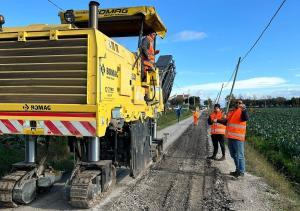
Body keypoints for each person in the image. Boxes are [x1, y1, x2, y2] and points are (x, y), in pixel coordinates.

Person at [217, 100, 249, 177]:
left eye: (240, 103)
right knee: (233, 155)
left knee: (239, 155)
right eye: (236, 103)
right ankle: (237, 170)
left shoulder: (242, 111)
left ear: (242, 104)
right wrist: (218, 120)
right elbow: (226, 122)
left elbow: (246, 118)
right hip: (230, 137)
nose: (238, 104)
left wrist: (244, 109)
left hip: (238, 137)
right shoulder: (232, 112)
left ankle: (241, 172)